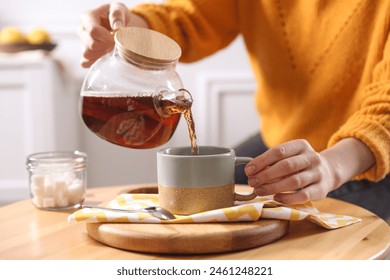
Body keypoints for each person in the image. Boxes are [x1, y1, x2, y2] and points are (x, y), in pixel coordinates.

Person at [78, 1, 390, 219]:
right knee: (194, 205)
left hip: (367, 159)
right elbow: (193, 15)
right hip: (281, 142)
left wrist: (331, 167)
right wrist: (135, 29)